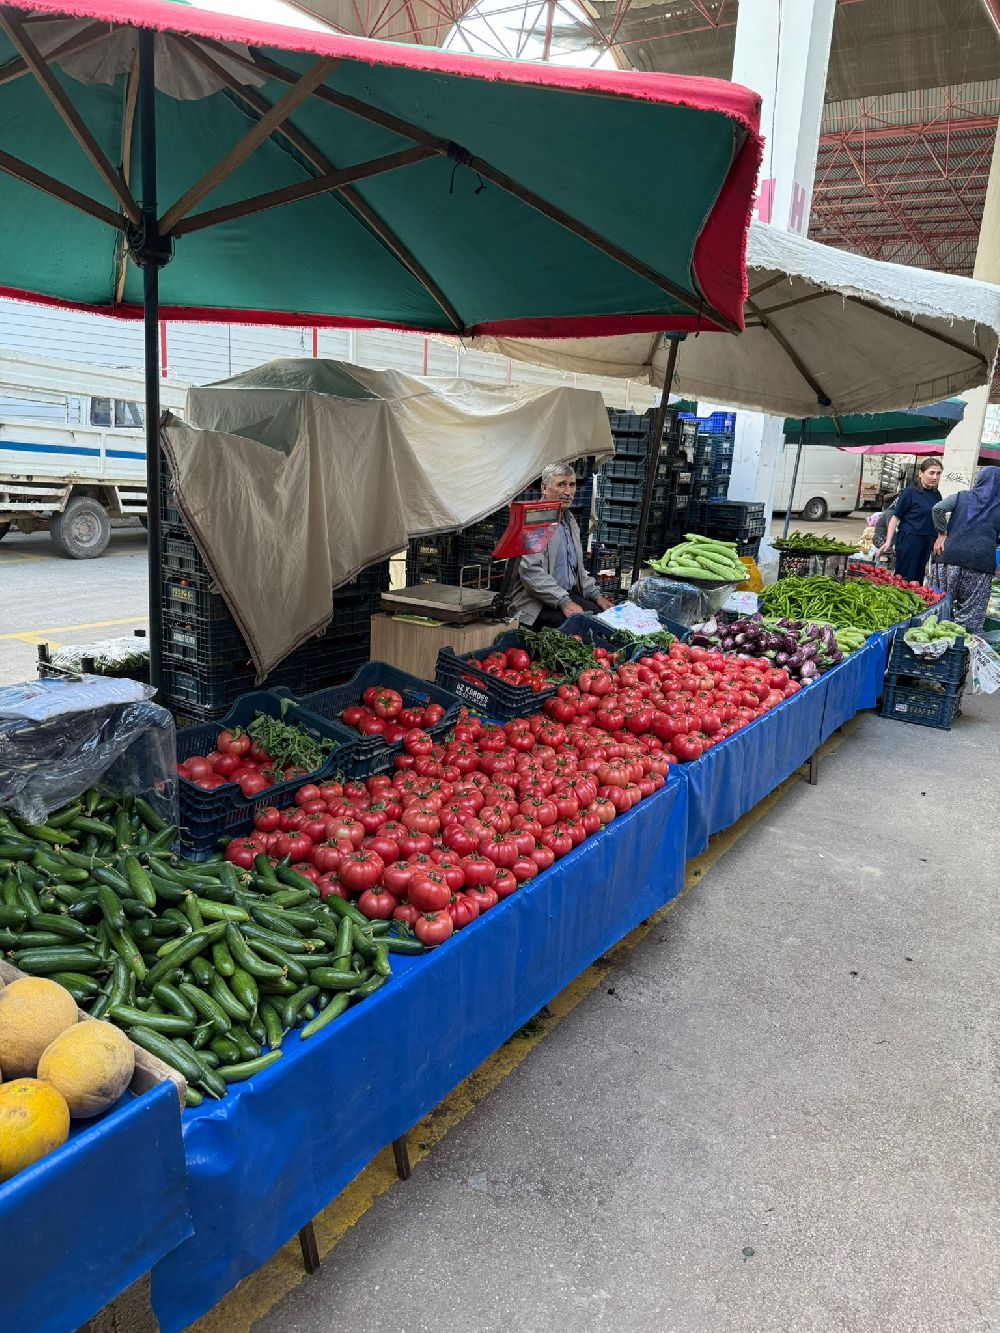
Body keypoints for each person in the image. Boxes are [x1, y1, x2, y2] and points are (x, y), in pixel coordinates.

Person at [511, 463, 614, 627]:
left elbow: (578, 570)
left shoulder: (570, 520)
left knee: (604, 620)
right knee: (581, 627)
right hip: (535, 603)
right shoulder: (534, 521)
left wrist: (597, 596)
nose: (568, 492)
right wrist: (564, 602)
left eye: (572, 485)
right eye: (561, 484)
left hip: (565, 595)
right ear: (544, 488)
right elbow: (531, 572)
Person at [929, 467, 1000, 632]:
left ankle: (932, 646)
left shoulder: (962, 496)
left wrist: (942, 533)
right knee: (970, 614)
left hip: (949, 558)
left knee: (938, 605)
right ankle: (960, 650)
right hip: (980, 564)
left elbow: (937, 508)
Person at [878, 458, 943, 583]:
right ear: (920, 473)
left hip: (927, 540)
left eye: (938, 473)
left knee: (917, 579)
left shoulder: (936, 494)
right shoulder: (909, 492)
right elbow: (895, 517)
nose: (935, 477)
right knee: (904, 578)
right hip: (910, 539)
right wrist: (888, 541)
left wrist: (940, 536)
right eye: (931, 472)